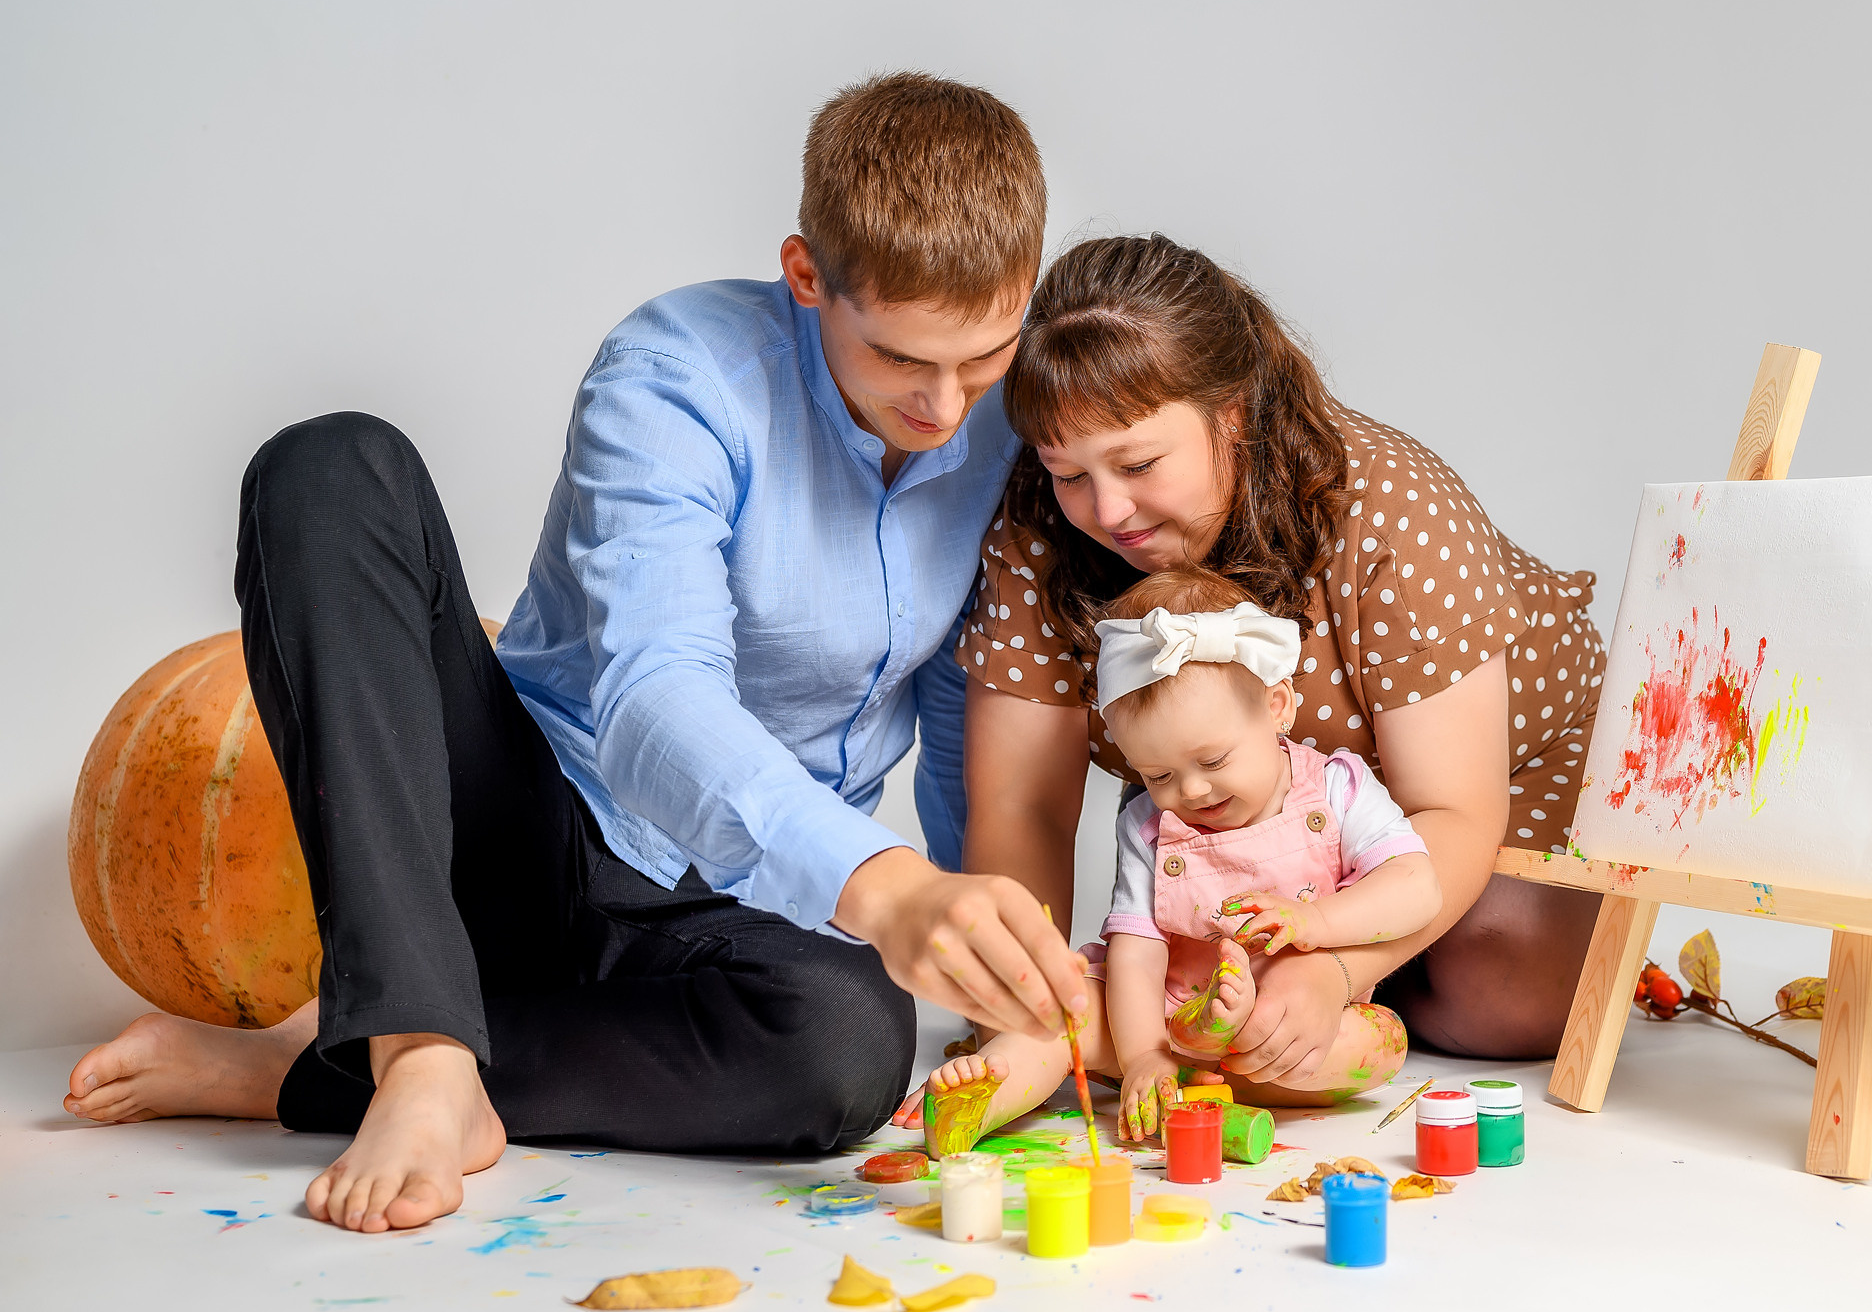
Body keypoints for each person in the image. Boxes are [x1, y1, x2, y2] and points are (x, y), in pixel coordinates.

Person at [61, 73, 1088, 1235]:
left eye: (985, 355)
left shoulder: (1019, 427)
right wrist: (889, 886)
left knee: (848, 1052)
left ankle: (328, 1066)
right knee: (327, 464)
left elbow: (977, 715)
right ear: (808, 278)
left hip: (752, 902)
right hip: (531, 832)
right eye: (904, 358)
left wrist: (1016, 981)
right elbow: (656, 703)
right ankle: (424, 1042)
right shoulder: (678, 370)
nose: (948, 405)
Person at [960, 234, 1605, 1076]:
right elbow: (1022, 805)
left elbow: (1453, 810)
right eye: (1067, 471)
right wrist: (1026, 1009)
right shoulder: (1044, 521)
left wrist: (1338, 969)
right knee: (1153, 1001)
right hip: (1257, 815)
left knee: (1499, 990)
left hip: (1498, 772)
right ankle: (1298, 977)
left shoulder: (1390, 507)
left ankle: (1380, 968)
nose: (1106, 507)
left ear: (1230, 412)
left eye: (1139, 463)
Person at [924, 567, 1423, 1141]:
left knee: (1380, 1043)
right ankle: (980, 1100)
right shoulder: (1150, 826)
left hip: (1289, 1020)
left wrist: (1317, 922)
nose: (1189, 792)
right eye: (1157, 774)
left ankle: (1219, 1078)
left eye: (1213, 762)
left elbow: (1416, 885)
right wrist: (1141, 1056)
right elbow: (1137, 952)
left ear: (1277, 705)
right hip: (1163, 1021)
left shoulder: (1337, 789)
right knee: (1060, 1013)